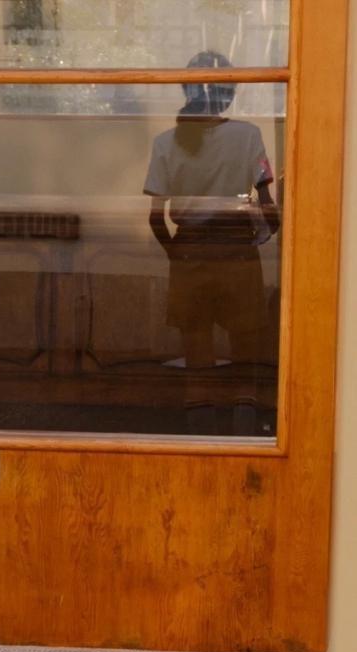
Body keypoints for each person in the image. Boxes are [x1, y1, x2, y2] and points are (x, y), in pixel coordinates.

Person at [143, 51, 280, 434]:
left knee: (196, 349)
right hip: (237, 251)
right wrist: (262, 234)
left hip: (190, 251)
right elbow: (268, 208)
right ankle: (245, 427)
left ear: (186, 90)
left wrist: (178, 254)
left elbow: (155, 218)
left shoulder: (165, 143)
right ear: (230, 94)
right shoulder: (248, 136)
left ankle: (199, 432)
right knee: (245, 347)